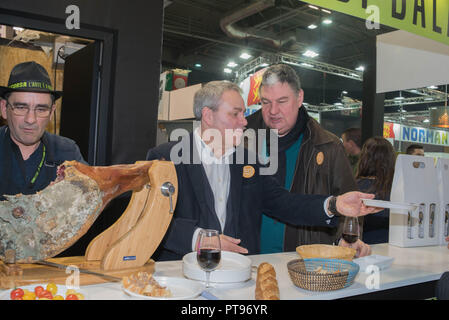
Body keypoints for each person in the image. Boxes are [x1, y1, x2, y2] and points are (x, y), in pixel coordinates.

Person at [146, 80, 379, 261]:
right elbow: (149, 219)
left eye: (243, 114)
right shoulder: (165, 158)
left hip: (238, 277)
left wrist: (334, 204)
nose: (244, 122)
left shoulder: (248, 161)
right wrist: (198, 239)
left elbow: (282, 202)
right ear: (208, 115)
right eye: (235, 114)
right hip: (183, 275)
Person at [245, 64, 368, 256]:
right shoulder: (241, 139)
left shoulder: (328, 146)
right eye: (266, 102)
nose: (273, 111)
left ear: (299, 98)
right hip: (247, 261)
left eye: (282, 101)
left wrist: (347, 237)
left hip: (304, 262)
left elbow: (348, 201)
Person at [0, 61, 85, 201]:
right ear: (4, 108)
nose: (31, 119)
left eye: (41, 109)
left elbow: (94, 196)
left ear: (51, 113)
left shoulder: (68, 151)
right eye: (21, 107)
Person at [355, 137, 396, 244]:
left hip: (364, 249)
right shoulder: (397, 188)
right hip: (394, 246)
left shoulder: (355, 187)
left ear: (364, 158)